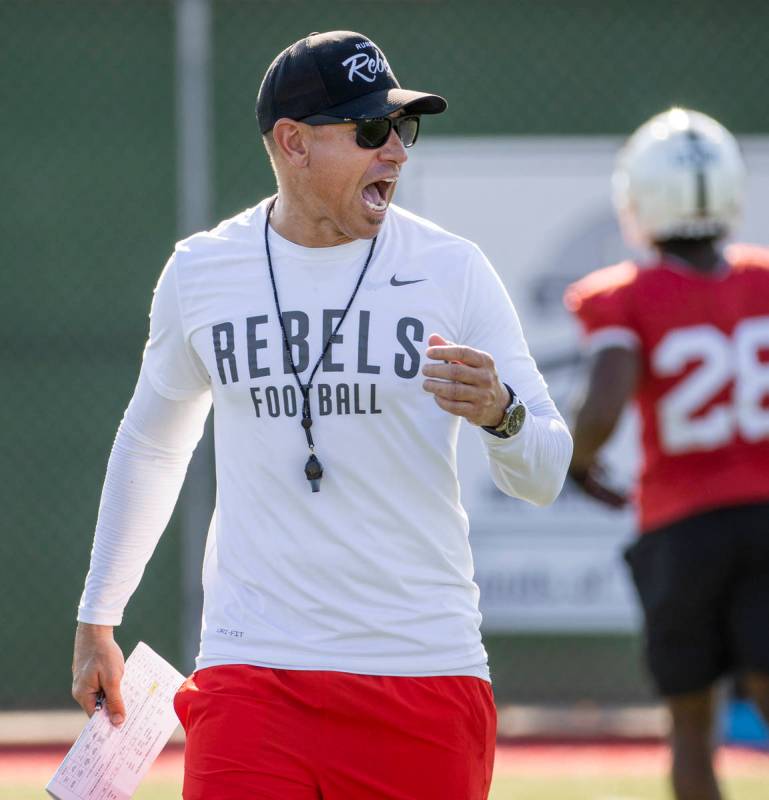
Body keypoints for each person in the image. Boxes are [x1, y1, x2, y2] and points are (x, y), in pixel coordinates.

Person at [71, 30, 572, 800]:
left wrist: (500, 415)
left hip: (423, 674)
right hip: (252, 672)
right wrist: (97, 616)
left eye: (402, 129)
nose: (397, 154)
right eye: (371, 131)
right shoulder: (202, 270)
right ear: (291, 142)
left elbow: (544, 470)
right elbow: (153, 444)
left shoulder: (451, 267)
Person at [565, 108, 769, 800]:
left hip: (681, 528)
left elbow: (602, 406)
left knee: (689, 724)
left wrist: (574, 461)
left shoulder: (623, 295)